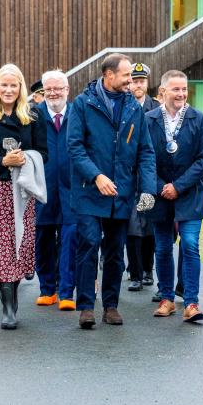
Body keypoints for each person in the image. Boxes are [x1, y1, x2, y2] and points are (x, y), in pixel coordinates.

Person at [67, 53, 156, 329]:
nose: (131, 80)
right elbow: (75, 147)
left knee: (116, 251)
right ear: (109, 75)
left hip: (121, 193)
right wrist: (96, 176)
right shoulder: (83, 104)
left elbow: (146, 151)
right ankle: (85, 307)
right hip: (89, 191)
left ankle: (111, 306)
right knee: (89, 245)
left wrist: (148, 190)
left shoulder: (133, 107)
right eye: (126, 75)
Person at [0, 64, 48, 329]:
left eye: (14, 85)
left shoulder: (33, 114)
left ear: (21, 87)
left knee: (18, 245)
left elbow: (44, 153)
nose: (9, 90)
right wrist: (3, 160)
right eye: (4, 85)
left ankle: (12, 298)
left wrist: (26, 158)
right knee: (0, 248)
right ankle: (7, 307)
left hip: (22, 189)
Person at [146, 70, 203, 322]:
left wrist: (179, 186)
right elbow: (144, 156)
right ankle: (166, 298)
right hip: (160, 193)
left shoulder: (199, 119)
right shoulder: (149, 119)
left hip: (189, 193)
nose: (181, 94)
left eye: (184, 89)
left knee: (191, 245)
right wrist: (163, 186)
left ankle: (192, 302)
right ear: (163, 91)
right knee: (162, 248)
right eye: (176, 89)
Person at [33, 70, 76, 310]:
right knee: (43, 241)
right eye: (48, 89)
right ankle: (47, 289)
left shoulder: (78, 114)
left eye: (58, 88)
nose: (53, 93)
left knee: (71, 239)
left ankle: (67, 291)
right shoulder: (33, 115)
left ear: (67, 90)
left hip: (72, 189)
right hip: (42, 189)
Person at [125, 62, 158, 291]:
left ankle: (148, 269)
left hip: (149, 173)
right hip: (128, 175)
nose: (138, 85)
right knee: (131, 227)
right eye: (134, 81)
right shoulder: (123, 106)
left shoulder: (156, 108)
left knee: (149, 226)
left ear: (147, 83)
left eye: (141, 81)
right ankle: (135, 273)